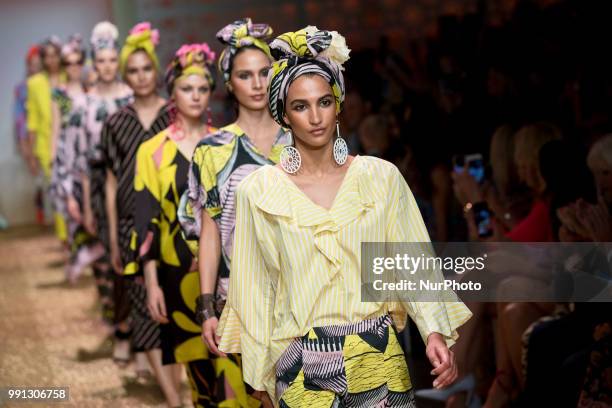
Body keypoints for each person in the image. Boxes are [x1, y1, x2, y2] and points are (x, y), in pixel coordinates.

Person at [215, 26, 472, 407]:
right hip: (300, 363)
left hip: (379, 354)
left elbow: (411, 263)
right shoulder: (261, 190)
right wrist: (260, 377)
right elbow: (255, 291)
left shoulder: (379, 178)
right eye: (300, 106)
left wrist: (433, 331)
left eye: (324, 102)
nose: (315, 117)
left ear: (338, 103)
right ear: (283, 116)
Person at [179, 18, 289, 407]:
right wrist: (207, 305)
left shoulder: (301, 136)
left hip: (304, 290)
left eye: (264, 73)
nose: (257, 84)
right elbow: (209, 234)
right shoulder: (213, 150)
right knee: (263, 396)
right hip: (241, 295)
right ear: (230, 83)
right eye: (245, 75)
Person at [134, 43, 218, 407]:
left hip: (225, 269)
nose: (195, 97)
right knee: (200, 374)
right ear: (173, 93)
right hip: (176, 269)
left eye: (203, 89)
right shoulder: (153, 150)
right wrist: (150, 283)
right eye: (187, 88)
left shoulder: (225, 143)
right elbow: (145, 221)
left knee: (237, 367)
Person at [100, 21, 176, 402]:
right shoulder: (115, 123)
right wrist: (113, 236)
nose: (141, 76)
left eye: (147, 68)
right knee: (143, 307)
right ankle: (171, 394)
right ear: (125, 75)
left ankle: (181, 382)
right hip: (132, 224)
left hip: (176, 226)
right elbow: (112, 181)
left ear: (156, 71)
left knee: (178, 302)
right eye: (134, 70)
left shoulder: (175, 114)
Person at [81, 21, 132, 346]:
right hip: (101, 184)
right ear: (93, 64)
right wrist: (86, 203)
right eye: (101, 61)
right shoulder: (85, 103)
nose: (107, 66)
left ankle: (135, 328)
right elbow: (85, 159)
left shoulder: (131, 96)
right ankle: (121, 324)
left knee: (136, 253)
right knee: (111, 253)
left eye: (112, 60)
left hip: (133, 179)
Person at [48, 34, 103, 282]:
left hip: (90, 158)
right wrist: (52, 162)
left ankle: (94, 263)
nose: (74, 67)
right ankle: (80, 256)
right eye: (68, 62)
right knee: (75, 214)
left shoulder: (91, 91)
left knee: (94, 212)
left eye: (78, 61)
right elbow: (56, 129)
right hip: (68, 160)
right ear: (62, 66)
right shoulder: (58, 95)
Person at [26, 36, 67, 236]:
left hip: (70, 141)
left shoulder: (69, 76)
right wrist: (33, 152)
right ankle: (65, 239)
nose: (51, 60)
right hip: (45, 143)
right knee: (57, 192)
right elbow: (32, 119)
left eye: (55, 55)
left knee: (74, 190)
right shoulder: (34, 83)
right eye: (47, 56)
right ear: (42, 58)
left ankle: (81, 237)